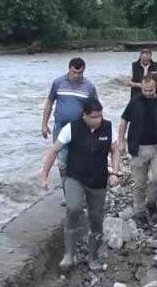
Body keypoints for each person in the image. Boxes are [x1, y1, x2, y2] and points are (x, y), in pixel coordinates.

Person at [39, 99, 120, 270]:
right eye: (94, 117)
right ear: (84, 116)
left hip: (98, 180)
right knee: (74, 208)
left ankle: (94, 256)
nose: (98, 120)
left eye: (100, 116)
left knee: (96, 218)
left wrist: (114, 171)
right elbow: (54, 150)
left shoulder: (108, 127)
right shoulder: (72, 128)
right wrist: (45, 174)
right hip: (75, 177)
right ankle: (69, 254)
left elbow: (115, 150)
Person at [119, 73, 157, 224]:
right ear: (141, 87)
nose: (148, 93)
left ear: (156, 87)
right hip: (138, 148)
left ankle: (151, 203)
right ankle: (139, 211)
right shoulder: (134, 101)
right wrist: (121, 141)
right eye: (145, 90)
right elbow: (124, 120)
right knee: (139, 183)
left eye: (151, 90)